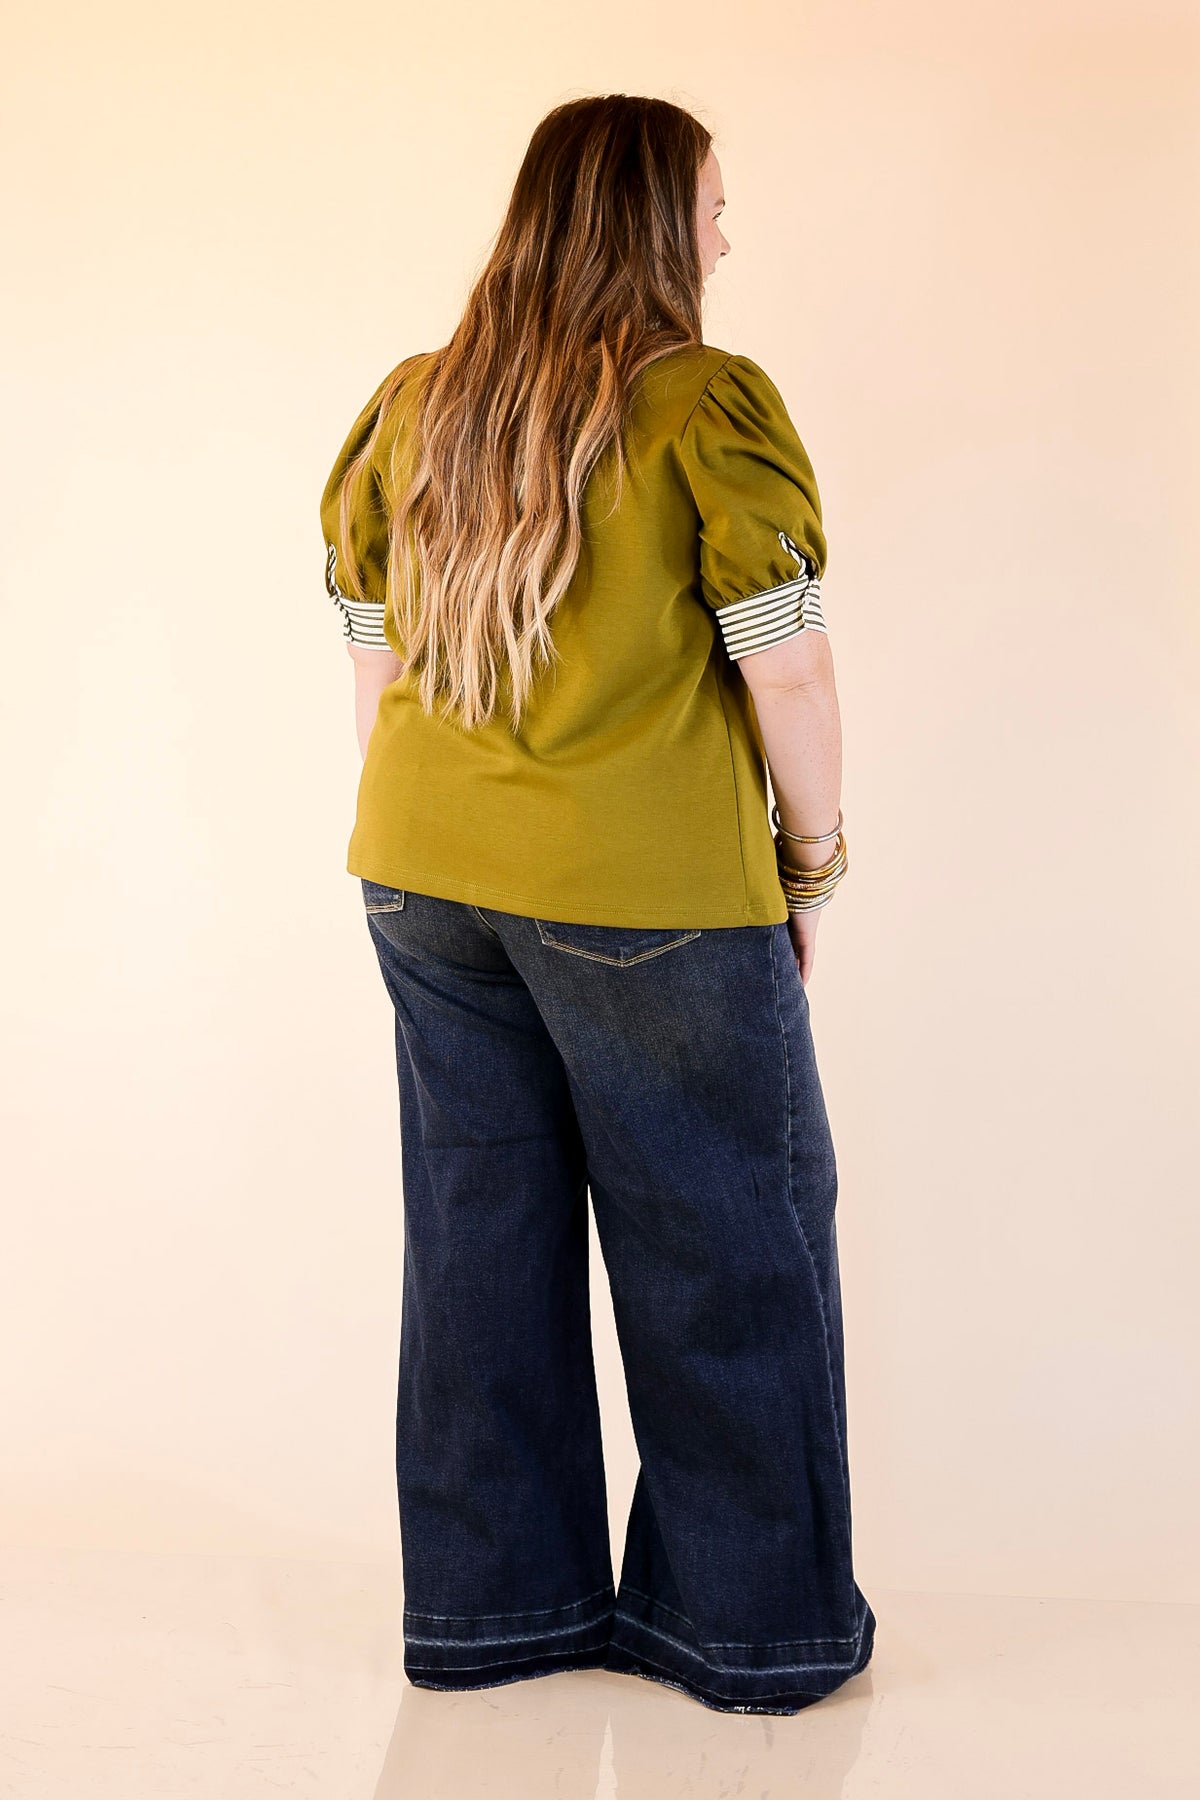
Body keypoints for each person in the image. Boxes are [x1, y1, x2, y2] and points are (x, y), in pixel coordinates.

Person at [318, 93, 875, 1716]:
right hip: (649, 895)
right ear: (648, 220)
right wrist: (812, 862)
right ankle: (745, 1632)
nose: (726, 236)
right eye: (711, 204)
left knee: (477, 1240)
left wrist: (448, 833)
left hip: (423, 880)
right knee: (728, 1238)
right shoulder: (702, 405)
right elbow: (791, 672)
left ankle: (497, 1616)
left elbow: (374, 658)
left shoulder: (416, 405)